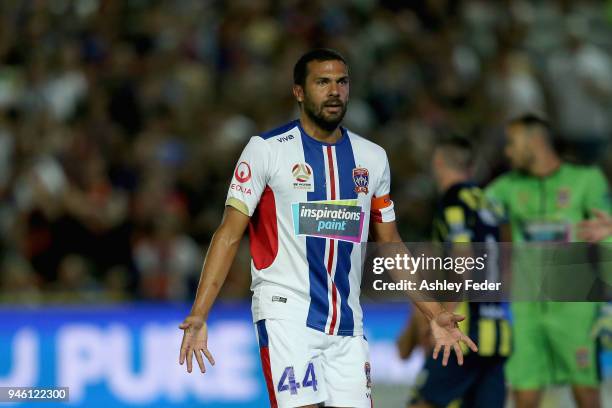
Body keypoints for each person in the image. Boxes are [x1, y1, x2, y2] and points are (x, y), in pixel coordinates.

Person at [177, 48, 477, 408]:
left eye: (341, 82)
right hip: (287, 314)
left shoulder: (373, 158)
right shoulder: (266, 150)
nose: (334, 91)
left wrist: (433, 312)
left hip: (348, 324)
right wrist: (199, 312)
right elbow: (228, 233)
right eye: (323, 82)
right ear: (299, 92)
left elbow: (391, 243)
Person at [486, 113, 610, 408]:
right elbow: (472, 213)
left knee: (586, 393)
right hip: (526, 309)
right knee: (524, 394)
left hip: (576, 309)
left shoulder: (586, 181)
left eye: (512, 143)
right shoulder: (507, 187)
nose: (508, 151)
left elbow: (606, 237)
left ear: (535, 141)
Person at [398, 137, 511, 408]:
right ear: (471, 167)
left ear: (438, 163)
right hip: (497, 331)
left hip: (463, 329)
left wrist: (445, 316)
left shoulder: (453, 201)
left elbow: (463, 261)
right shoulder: (489, 204)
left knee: (422, 403)